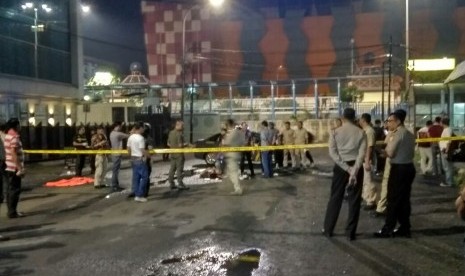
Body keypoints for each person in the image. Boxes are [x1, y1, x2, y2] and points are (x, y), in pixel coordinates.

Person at [323, 108, 366, 241]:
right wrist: (354, 169)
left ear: (343, 117)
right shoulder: (361, 132)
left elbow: (333, 154)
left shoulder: (335, 132)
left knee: (335, 197)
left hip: (341, 167)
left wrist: (346, 168)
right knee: (354, 200)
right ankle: (350, 232)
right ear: (354, 118)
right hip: (356, 167)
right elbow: (362, 153)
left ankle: (329, 229)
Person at [374, 110, 416, 238]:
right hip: (409, 167)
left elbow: (390, 153)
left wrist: (380, 151)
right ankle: (405, 227)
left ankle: (388, 228)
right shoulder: (409, 133)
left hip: (399, 169)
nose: (388, 123)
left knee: (393, 199)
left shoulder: (397, 134)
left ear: (398, 121)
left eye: (390, 121)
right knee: (404, 200)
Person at [3, 118, 26, 219]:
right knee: (15, 190)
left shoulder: (8, 135)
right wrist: (20, 168)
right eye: (19, 124)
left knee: (10, 189)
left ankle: (11, 210)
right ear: (16, 126)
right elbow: (14, 153)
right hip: (13, 167)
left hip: (8, 166)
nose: (20, 127)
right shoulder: (14, 137)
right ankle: (12, 212)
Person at [359, 113, 377, 211]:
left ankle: (371, 201)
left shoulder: (369, 131)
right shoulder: (365, 130)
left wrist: (367, 161)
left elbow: (369, 147)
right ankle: (366, 198)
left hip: (367, 160)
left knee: (369, 181)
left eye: (360, 120)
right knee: (365, 181)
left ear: (363, 120)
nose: (359, 121)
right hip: (363, 159)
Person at [127, 122, 149, 202]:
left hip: (133, 159)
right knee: (145, 177)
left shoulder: (130, 137)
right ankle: (139, 195)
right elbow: (142, 150)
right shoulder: (141, 138)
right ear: (140, 128)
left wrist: (130, 157)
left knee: (136, 178)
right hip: (140, 159)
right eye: (143, 127)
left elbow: (128, 149)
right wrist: (148, 156)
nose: (144, 129)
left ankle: (136, 194)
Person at [223, 119, 245, 195]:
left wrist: (224, 137)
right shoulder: (238, 132)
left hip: (232, 155)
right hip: (236, 154)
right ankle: (237, 186)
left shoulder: (232, 133)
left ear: (228, 125)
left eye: (226, 125)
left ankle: (238, 189)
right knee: (230, 172)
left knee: (233, 173)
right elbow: (243, 142)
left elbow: (226, 143)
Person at [167, 120, 189, 191]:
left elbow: (168, 144)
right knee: (179, 169)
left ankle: (171, 183)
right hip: (179, 154)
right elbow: (180, 145)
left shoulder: (171, 133)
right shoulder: (179, 134)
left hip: (172, 153)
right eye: (182, 126)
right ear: (178, 125)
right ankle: (180, 184)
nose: (183, 127)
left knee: (172, 169)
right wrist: (186, 144)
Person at [109, 122, 129, 192]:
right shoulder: (118, 134)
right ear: (117, 126)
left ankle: (116, 185)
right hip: (117, 154)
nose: (120, 128)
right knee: (115, 171)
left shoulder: (112, 133)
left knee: (115, 170)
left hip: (114, 153)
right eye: (120, 127)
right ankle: (114, 186)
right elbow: (127, 135)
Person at [439, 117, 454, 187]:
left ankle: (449, 182)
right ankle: (449, 181)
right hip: (445, 150)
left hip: (445, 150)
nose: (440, 123)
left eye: (441, 122)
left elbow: (448, 141)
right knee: (447, 167)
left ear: (442, 123)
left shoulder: (447, 130)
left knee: (447, 167)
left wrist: (446, 151)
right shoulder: (447, 129)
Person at [143, 123, 154, 197]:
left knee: (144, 176)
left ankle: (143, 192)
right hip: (142, 159)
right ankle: (143, 192)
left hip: (143, 159)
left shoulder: (148, 139)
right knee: (144, 176)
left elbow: (150, 149)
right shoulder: (148, 139)